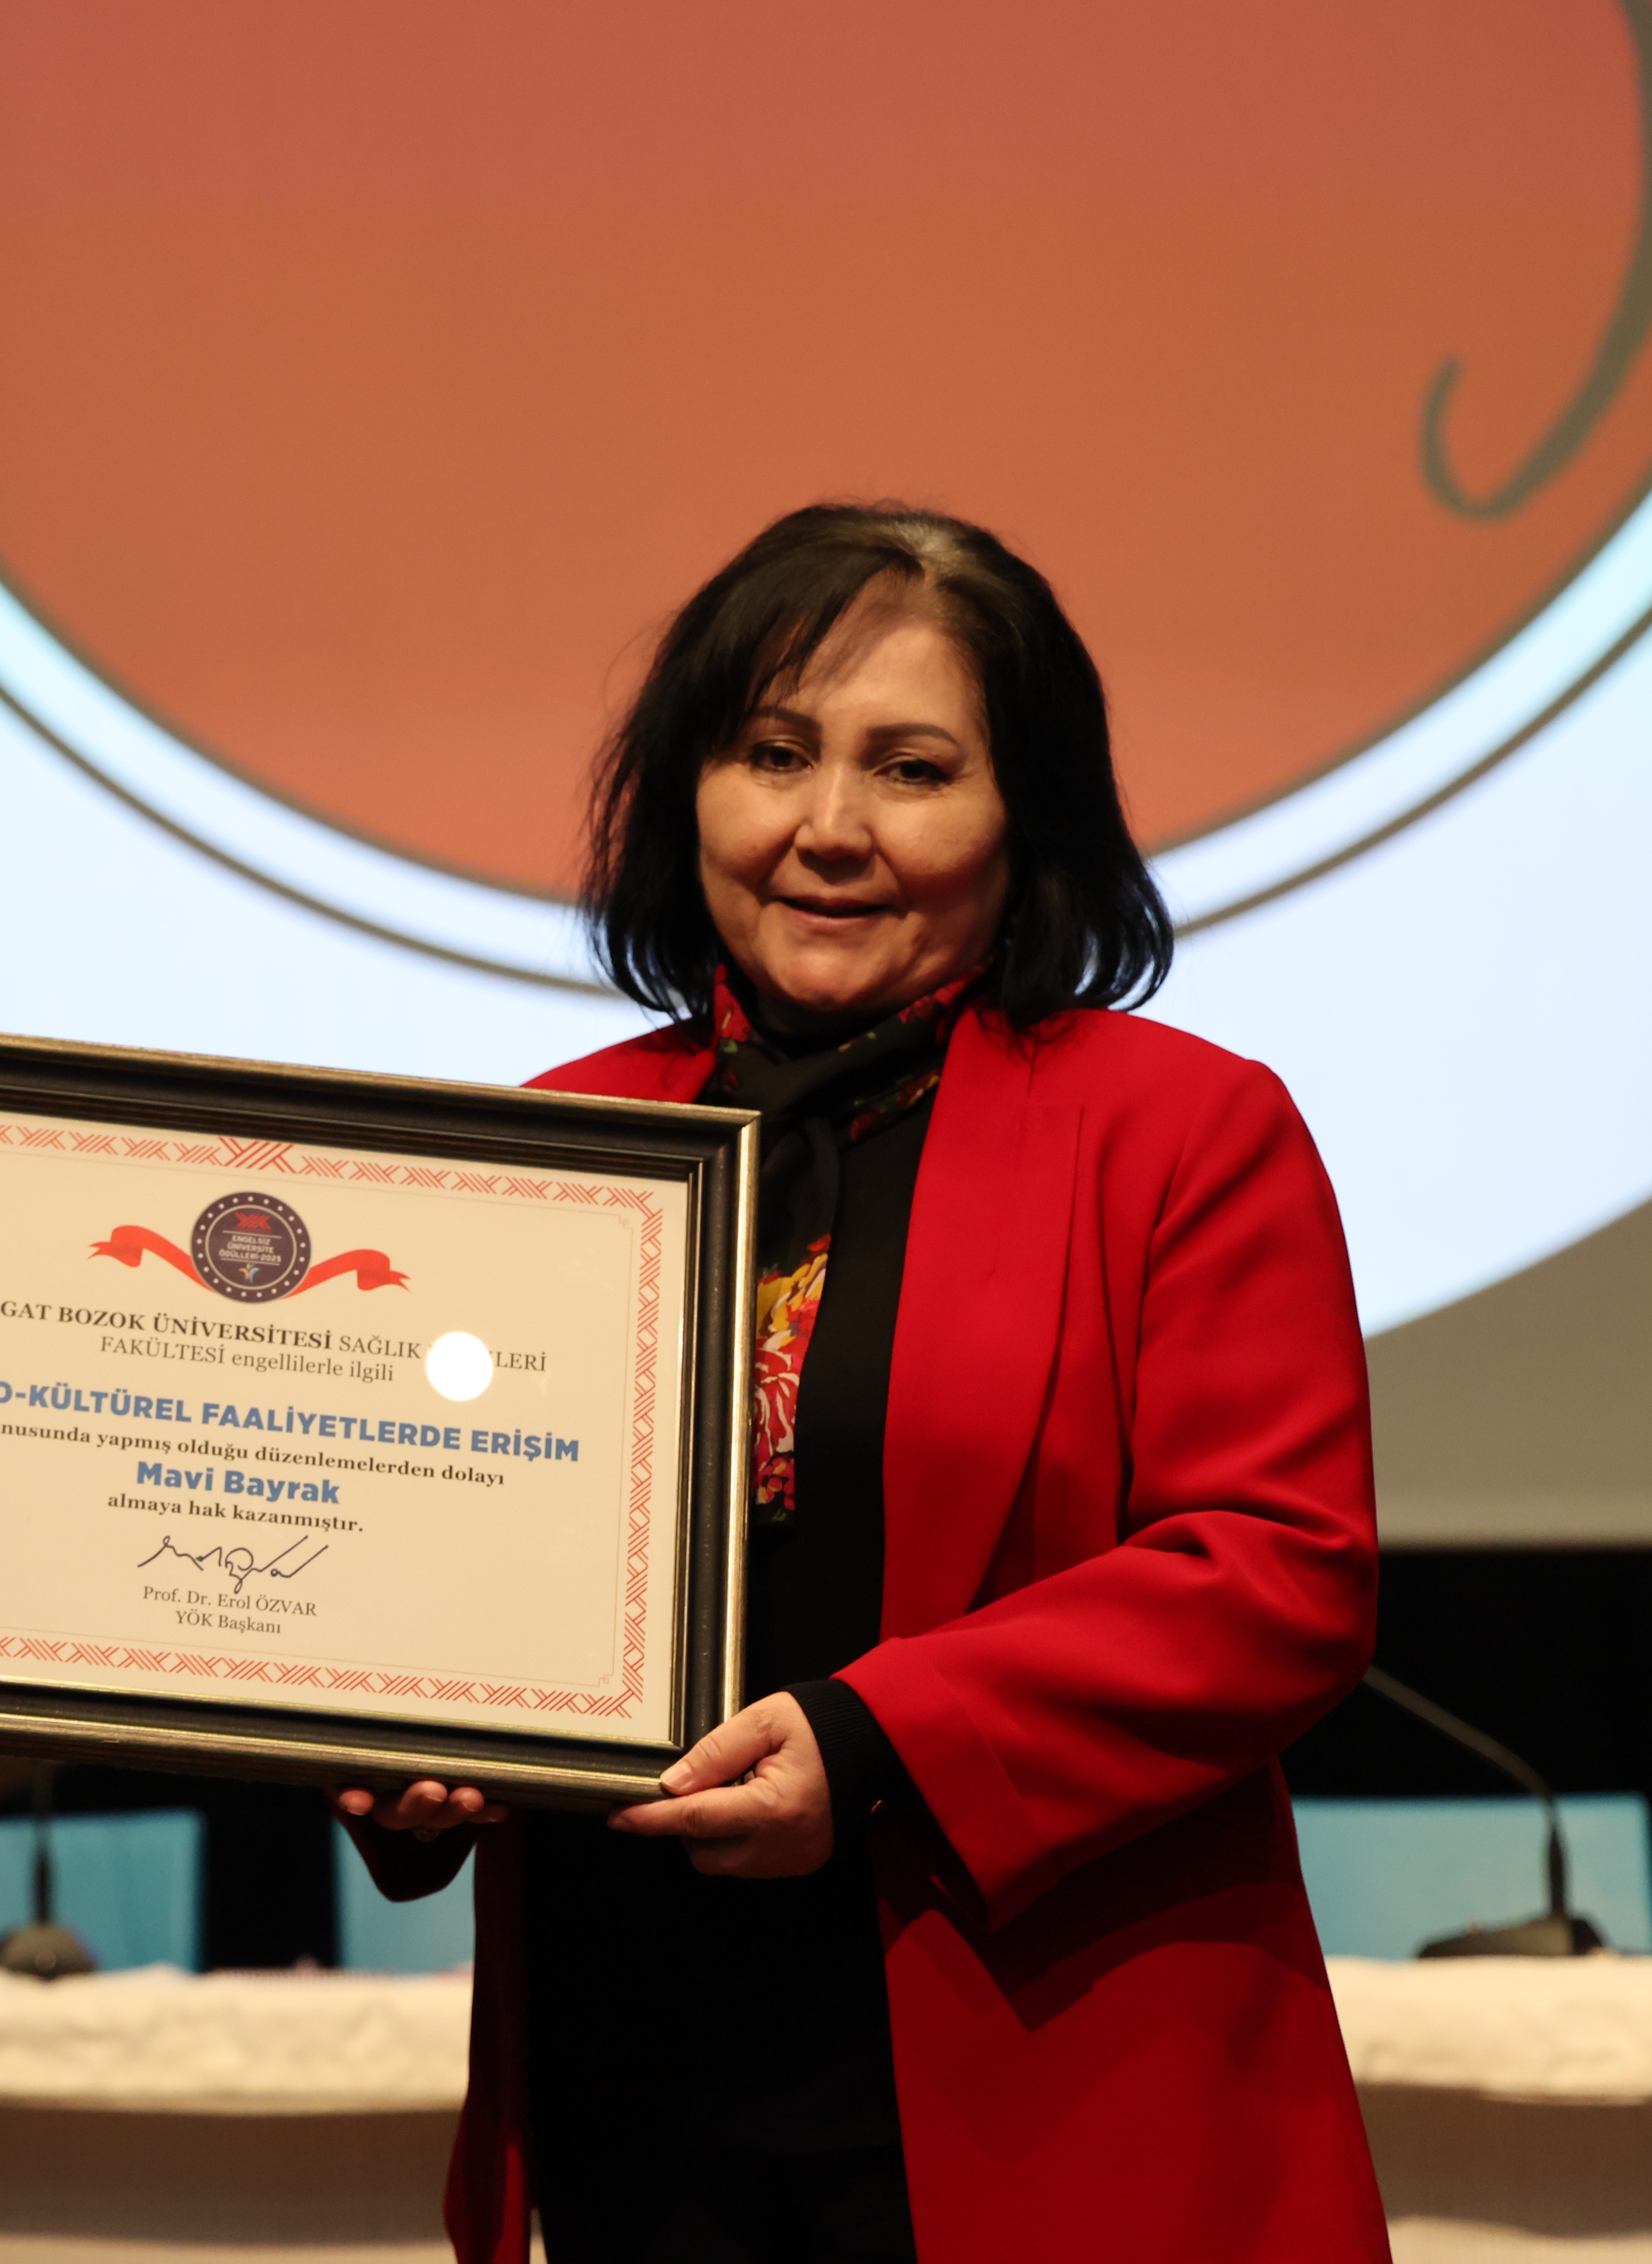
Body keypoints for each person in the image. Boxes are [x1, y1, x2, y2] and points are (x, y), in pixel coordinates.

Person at [340, 505, 1388, 2262]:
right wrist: (394, 1750)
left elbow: (1279, 1573)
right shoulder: (554, 1137)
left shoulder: (1182, 1131)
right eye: (772, 754)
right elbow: (446, 1557)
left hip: (1034, 2085)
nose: (827, 826)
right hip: (631, 2076)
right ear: (687, 793)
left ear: (1025, 815)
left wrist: (877, 1741)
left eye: (912, 768)